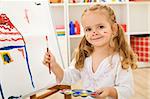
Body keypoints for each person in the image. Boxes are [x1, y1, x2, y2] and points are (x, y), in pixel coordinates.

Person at [43, 4, 137, 99]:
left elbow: (128, 90)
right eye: (88, 29)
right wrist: (54, 65)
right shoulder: (83, 56)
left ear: (114, 29)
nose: (94, 32)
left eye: (100, 27)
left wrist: (110, 91)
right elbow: (68, 78)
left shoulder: (120, 60)